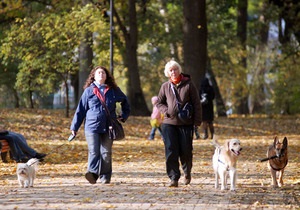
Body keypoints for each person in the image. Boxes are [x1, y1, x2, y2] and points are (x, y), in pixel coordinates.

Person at [70, 66, 130, 185]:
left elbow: (125, 101)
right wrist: (74, 127)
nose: (101, 74)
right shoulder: (89, 91)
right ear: (94, 76)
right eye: (98, 73)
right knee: (94, 151)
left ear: (106, 76)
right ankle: (92, 173)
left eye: (103, 73)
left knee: (106, 152)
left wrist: (123, 115)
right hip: (92, 126)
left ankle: (105, 176)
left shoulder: (113, 90)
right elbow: (80, 109)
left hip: (109, 126)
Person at [156, 60, 202, 187]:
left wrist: (197, 121)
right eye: (171, 70)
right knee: (171, 150)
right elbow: (159, 102)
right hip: (168, 123)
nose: (173, 72)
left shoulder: (189, 85)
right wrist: (166, 111)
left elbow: (197, 104)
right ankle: (173, 177)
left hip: (186, 123)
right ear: (167, 73)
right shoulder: (165, 86)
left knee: (186, 150)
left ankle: (187, 172)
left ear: (179, 70)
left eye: (175, 69)